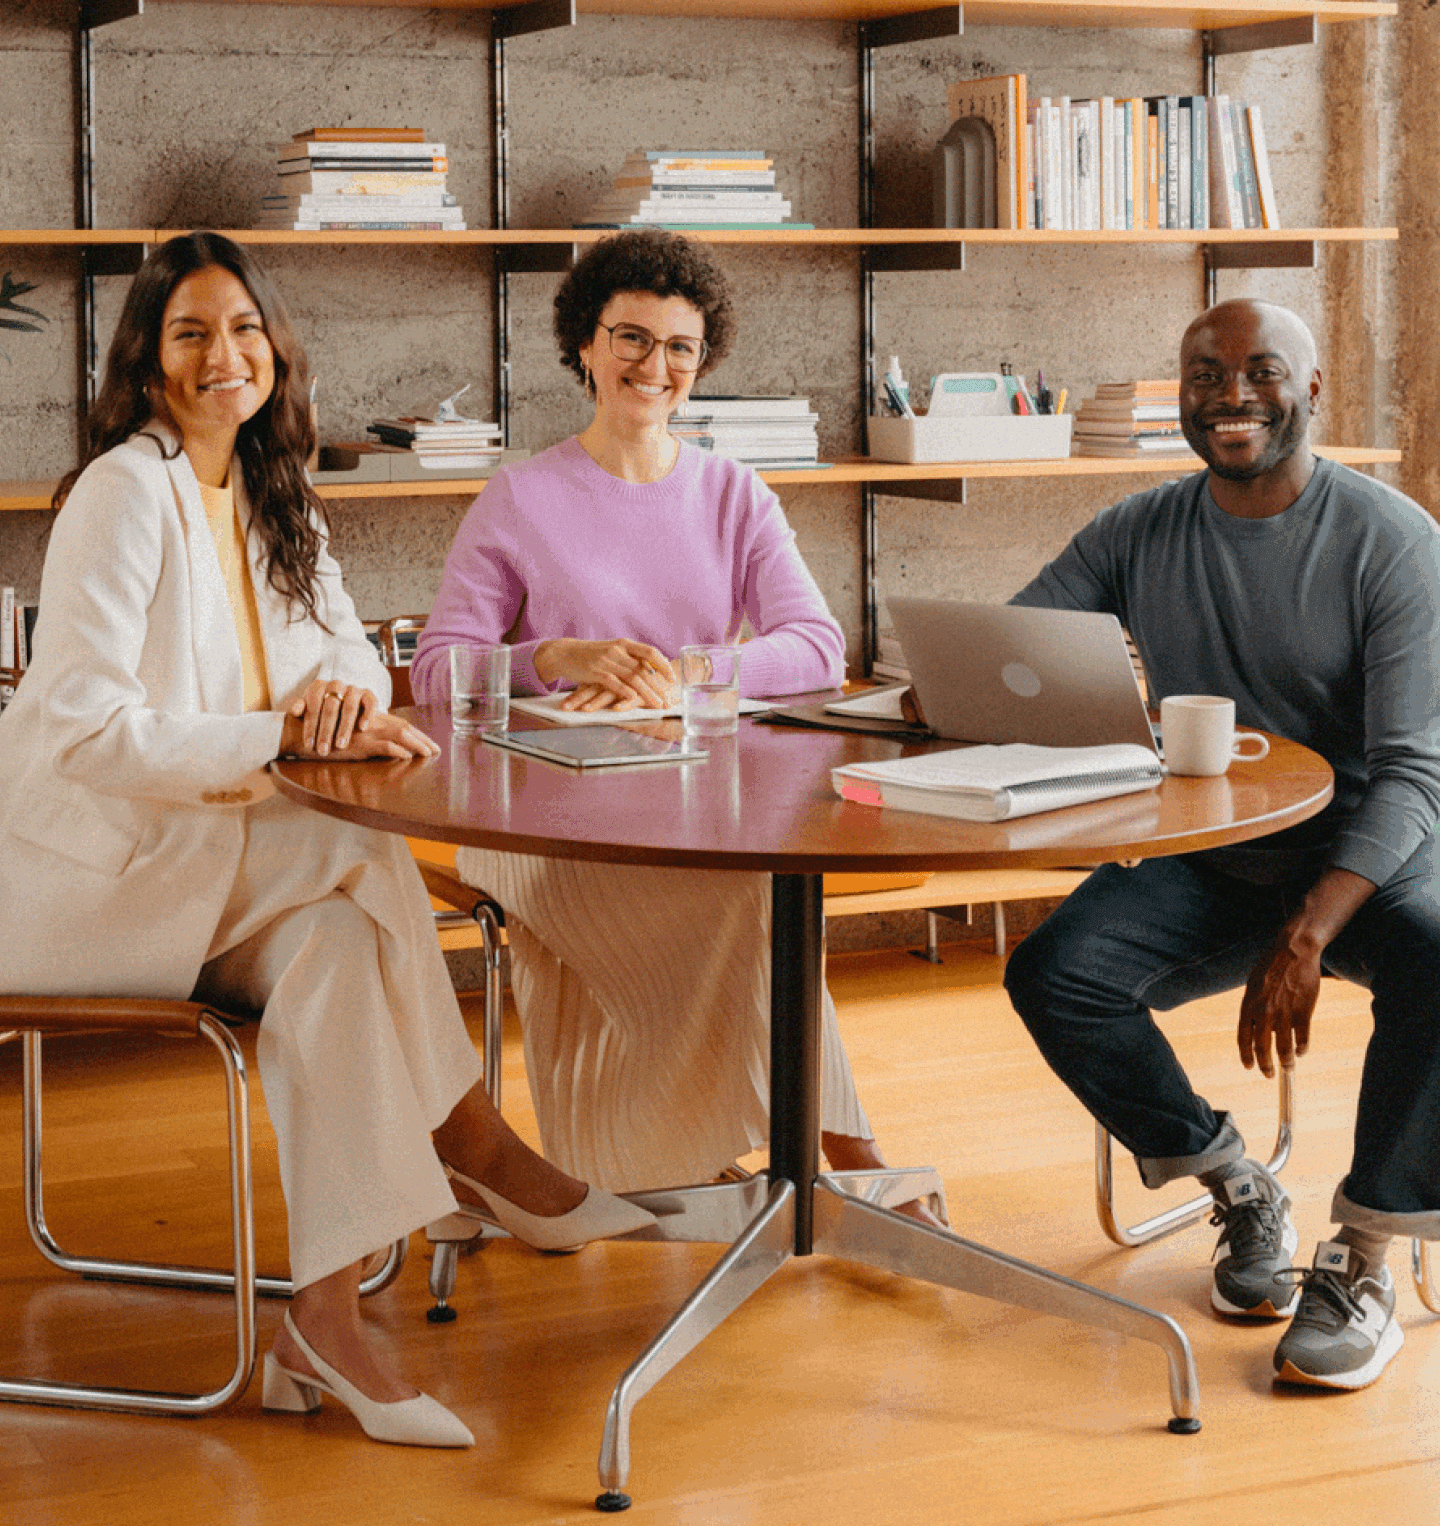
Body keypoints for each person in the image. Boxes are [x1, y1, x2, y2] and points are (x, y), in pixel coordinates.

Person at [0, 231, 656, 1450]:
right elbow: (89, 733)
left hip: (222, 879)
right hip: (89, 882)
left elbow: (350, 645)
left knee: (334, 954)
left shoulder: (268, 487)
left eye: (244, 328)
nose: (224, 354)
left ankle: (322, 1324)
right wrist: (277, 733)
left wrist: (344, 702)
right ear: (147, 361)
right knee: (347, 853)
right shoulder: (124, 492)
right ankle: (472, 1140)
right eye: (190, 331)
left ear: (275, 350)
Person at [411, 229, 934, 1215]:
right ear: (585, 346)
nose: (654, 366)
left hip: (692, 800)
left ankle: (738, 1159)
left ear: (702, 362)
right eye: (632, 339)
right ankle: (839, 1152)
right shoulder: (518, 497)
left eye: (679, 347)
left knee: (749, 892)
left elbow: (816, 647)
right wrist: (551, 658)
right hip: (534, 814)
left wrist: (687, 674)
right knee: (744, 905)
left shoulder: (733, 492)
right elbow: (436, 674)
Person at [1002, 297, 1440, 1390]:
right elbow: (1015, 650)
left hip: (1365, 860)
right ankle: (1235, 1179)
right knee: (1057, 973)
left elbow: (1417, 772)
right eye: (1205, 375)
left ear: (1314, 388)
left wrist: (1309, 931)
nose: (1231, 396)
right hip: (1218, 851)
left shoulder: (1391, 540)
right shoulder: (1137, 529)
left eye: (1260, 370)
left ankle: (1368, 1253)